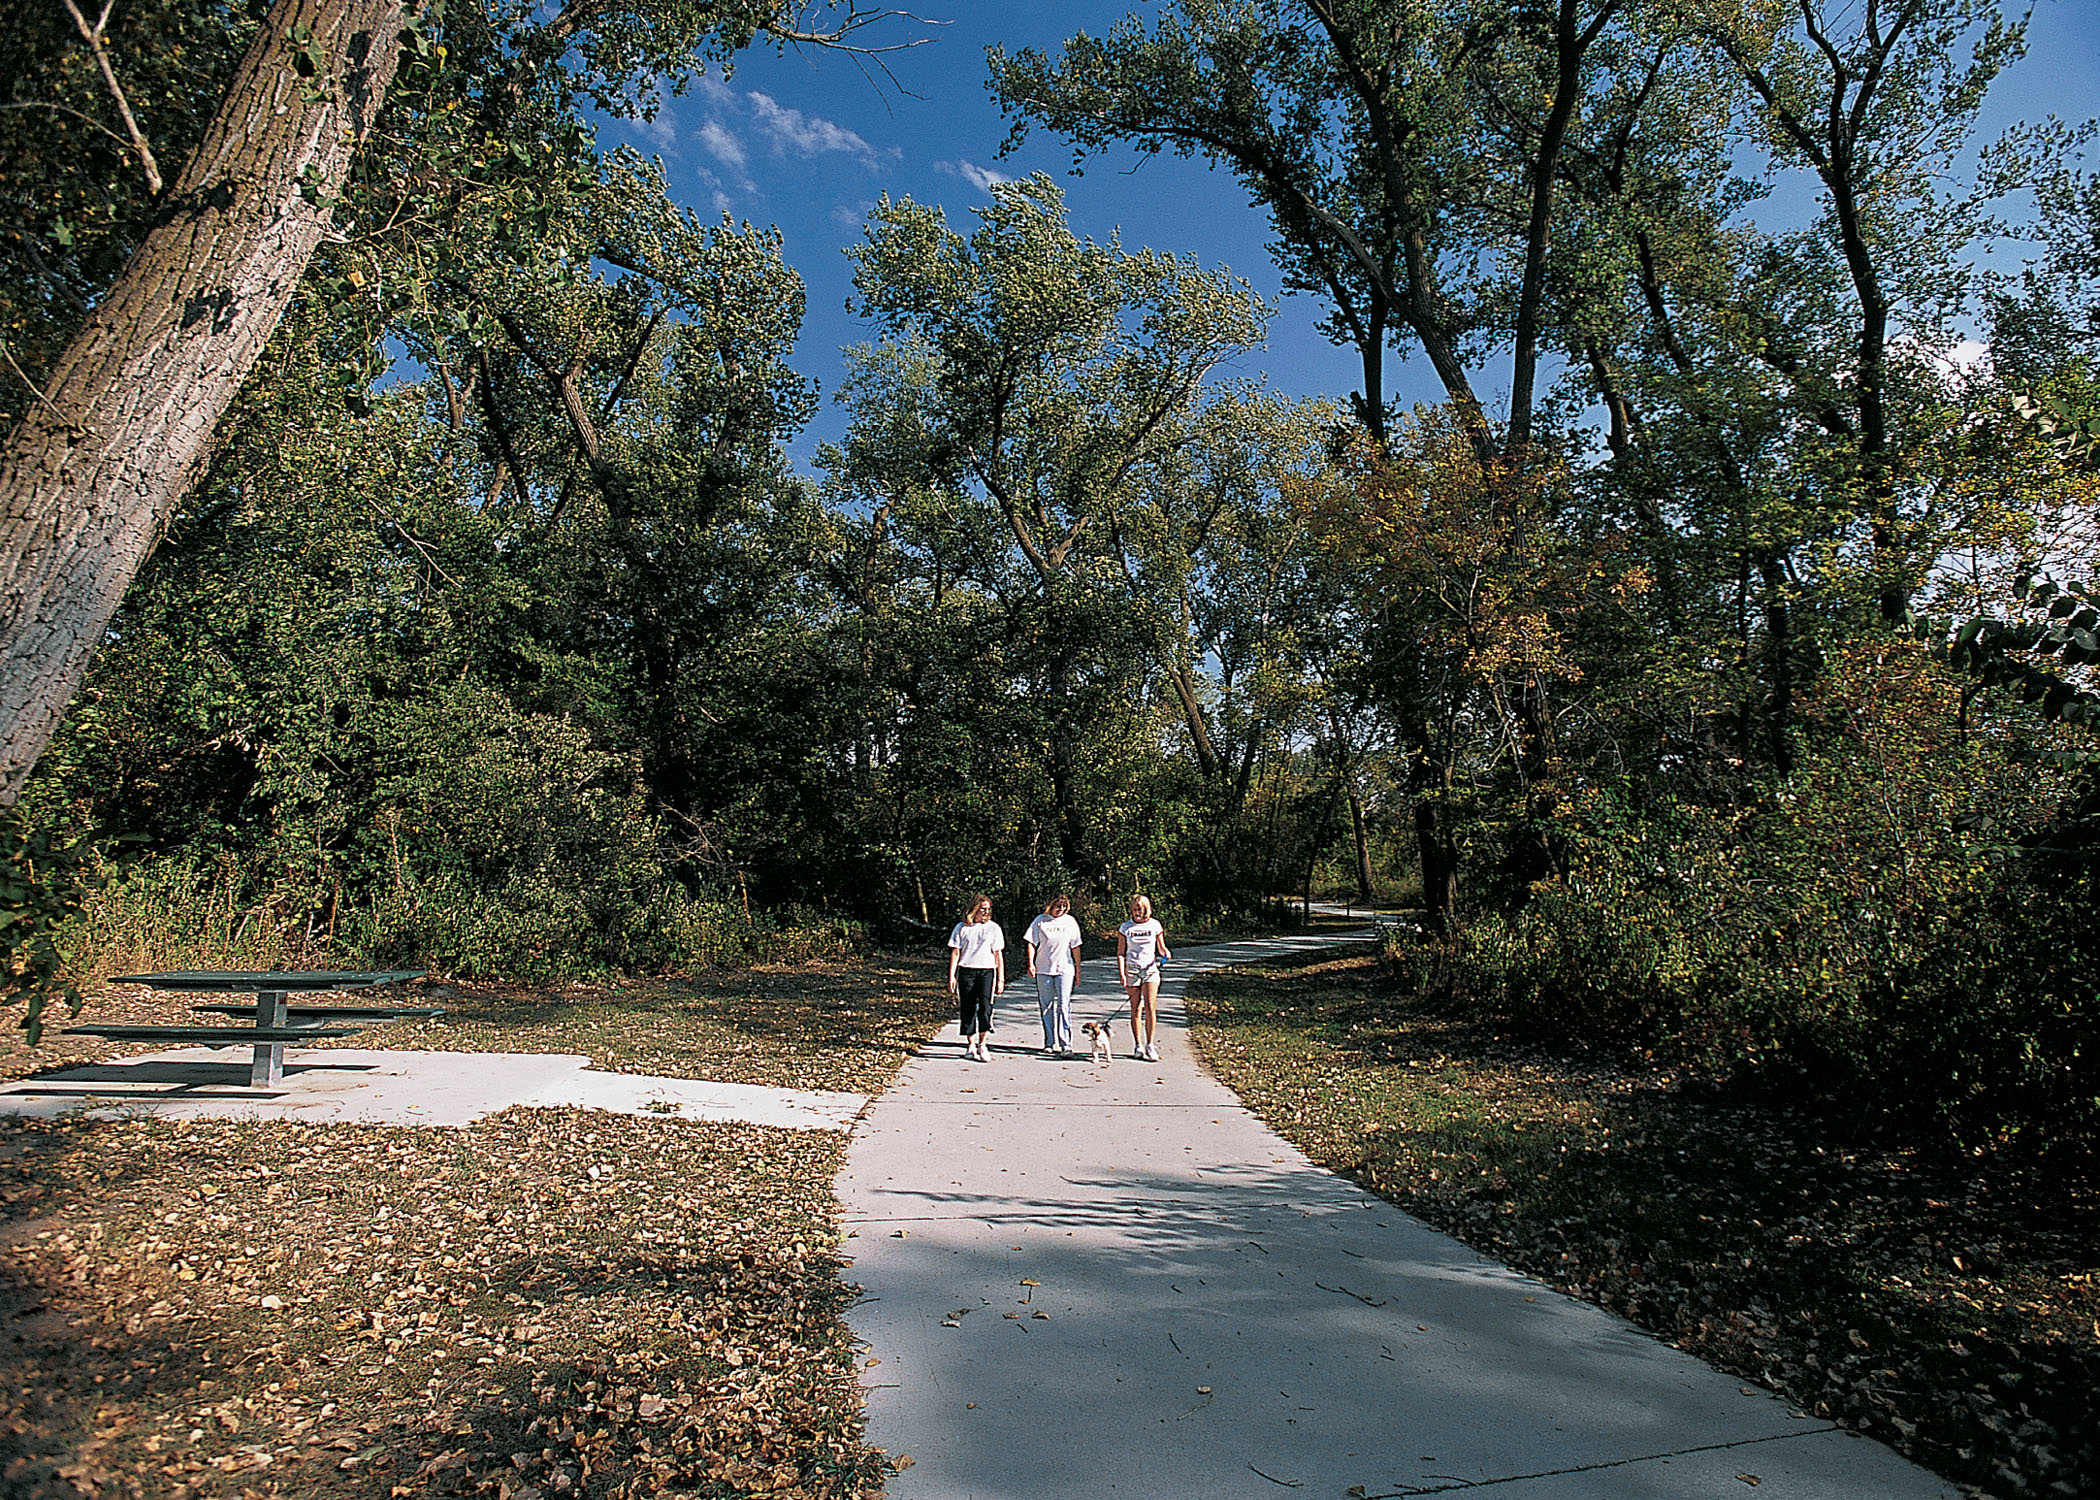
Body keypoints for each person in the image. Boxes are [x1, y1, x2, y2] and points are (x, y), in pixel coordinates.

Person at [947, 893, 1005, 1062]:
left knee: (986, 1007)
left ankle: (983, 1044)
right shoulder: (961, 928)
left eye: (988, 909)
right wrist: (952, 975)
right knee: (968, 1007)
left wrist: (1001, 979)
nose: (985, 913)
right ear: (974, 909)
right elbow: (956, 952)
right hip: (967, 970)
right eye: (982, 909)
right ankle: (971, 1044)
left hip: (987, 971)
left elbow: (998, 954)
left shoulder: (994, 928)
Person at [1024, 893, 1084, 1057]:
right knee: (1046, 1006)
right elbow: (1031, 942)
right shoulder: (1040, 921)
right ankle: (1049, 1042)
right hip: (1044, 969)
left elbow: (1076, 946)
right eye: (1058, 906)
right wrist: (1031, 963)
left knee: (1064, 1005)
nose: (1061, 909)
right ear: (1051, 905)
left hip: (1065, 968)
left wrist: (1078, 969)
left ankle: (1066, 1043)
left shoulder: (1070, 922)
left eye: (1064, 907)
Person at [1116, 893, 1171, 1062]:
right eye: (1133, 909)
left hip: (1150, 969)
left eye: (1139, 909)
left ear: (1146, 909)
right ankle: (1138, 1045)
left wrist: (1165, 953)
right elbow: (1120, 952)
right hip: (1132, 969)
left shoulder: (1155, 925)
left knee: (1150, 1006)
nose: (1136, 912)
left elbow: (1161, 947)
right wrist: (1122, 973)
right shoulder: (1126, 927)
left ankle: (1150, 1045)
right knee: (1136, 1008)